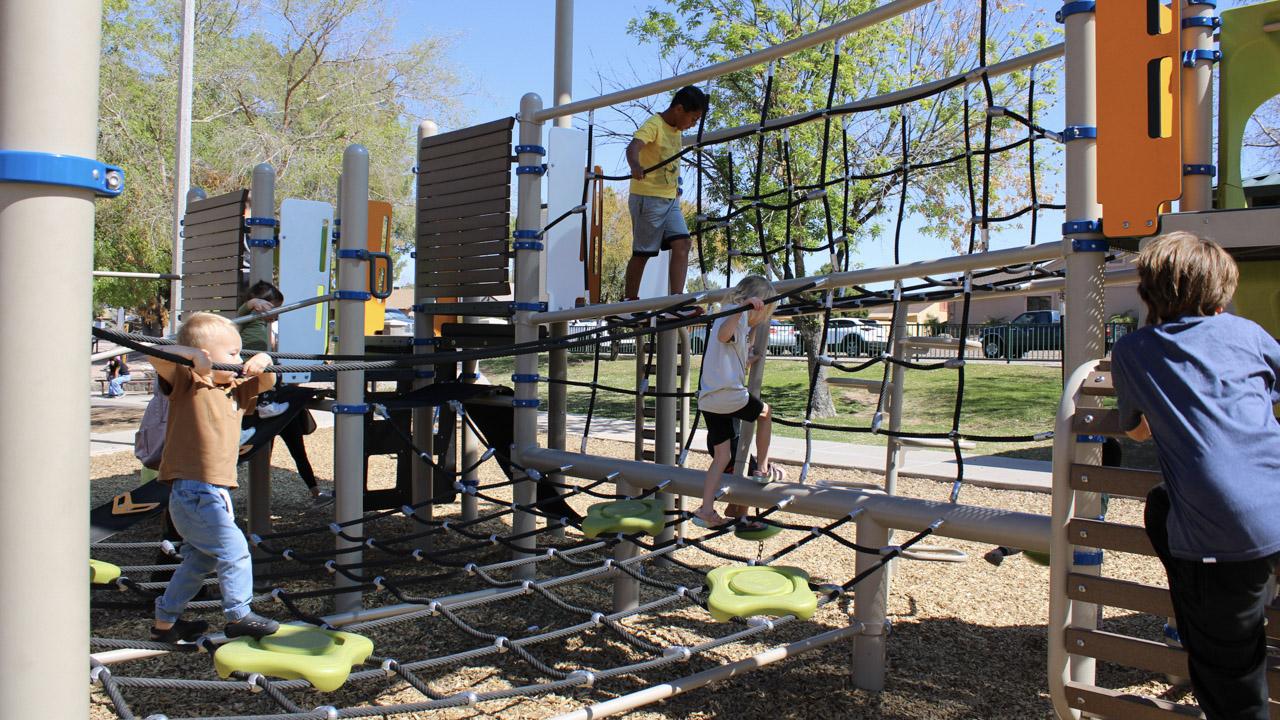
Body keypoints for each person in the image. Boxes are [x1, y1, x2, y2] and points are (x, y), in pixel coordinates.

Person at [1110, 232, 1280, 720]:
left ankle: (1199, 609)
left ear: (1147, 292)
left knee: (1230, 680)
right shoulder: (1249, 334)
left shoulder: (1136, 350)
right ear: (1223, 290)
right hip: (1272, 502)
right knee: (1161, 505)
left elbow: (1138, 432)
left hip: (1224, 534)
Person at [147, 312, 280, 642]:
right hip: (193, 491)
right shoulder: (188, 383)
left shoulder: (236, 389)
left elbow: (269, 379)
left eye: (239, 353)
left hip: (214, 492)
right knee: (234, 549)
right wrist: (193, 357)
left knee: (198, 562)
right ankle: (238, 615)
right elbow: (155, 354)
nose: (239, 359)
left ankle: (165, 623)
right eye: (232, 354)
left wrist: (263, 358)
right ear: (204, 356)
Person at [694, 275, 786, 529]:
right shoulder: (733, 314)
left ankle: (706, 509)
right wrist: (742, 309)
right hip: (728, 395)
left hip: (710, 398)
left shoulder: (733, 317)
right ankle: (762, 469)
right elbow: (725, 335)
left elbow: (728, 354)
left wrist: (749, 359)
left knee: (721, 456)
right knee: (766, 413)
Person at [238, 281, 330, 508]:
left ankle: (315, 491)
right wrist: (253, 303)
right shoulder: (248, 318)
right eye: (275, 309)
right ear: (263, 306)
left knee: (296, 448)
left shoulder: (265, 329)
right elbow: (240, 313)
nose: (277, 315)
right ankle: (261, 499)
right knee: (264, 447)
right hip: (260, 389)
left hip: (277, 396)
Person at [622, 85, 709, 317]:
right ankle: (629, 302)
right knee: (643, 252)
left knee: (683, 244)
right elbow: (633, 147)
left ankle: (675, 302)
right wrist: (635, 165)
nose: (693, 124)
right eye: (693, 118)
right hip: (647, 199)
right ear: (679, 109)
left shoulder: (677, 130)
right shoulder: (655, 125)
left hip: (670, 201)